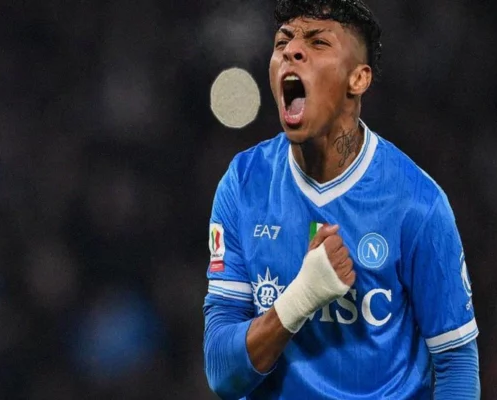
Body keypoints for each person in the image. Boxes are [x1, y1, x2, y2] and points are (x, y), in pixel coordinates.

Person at [202, 1, 480, 398]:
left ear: (358, 78)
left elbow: (456, 364)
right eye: (283, 42)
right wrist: (300, 298)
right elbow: (222, 373)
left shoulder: (418, 204)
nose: (292, 51)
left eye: (318, 43)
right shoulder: (243, 184)